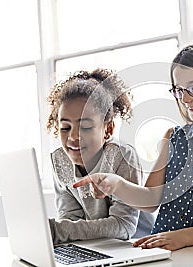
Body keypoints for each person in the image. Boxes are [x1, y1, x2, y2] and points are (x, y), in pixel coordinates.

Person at [74, 41, 193, 251]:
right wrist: (116, 185)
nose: (185, 98)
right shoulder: (174, 137)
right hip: (163, 251)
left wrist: (182, 238)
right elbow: (151, 199)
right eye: (178, 90)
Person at [46, 68, 152, 244]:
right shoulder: (59, 160)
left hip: (136, 246)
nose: (73, 137)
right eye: (65, 128)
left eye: (85, 127)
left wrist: (57, 231)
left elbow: (124, 226)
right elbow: (70, 218)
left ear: (108, 129)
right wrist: (57, 231)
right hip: (97, 245)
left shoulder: (121, 156)